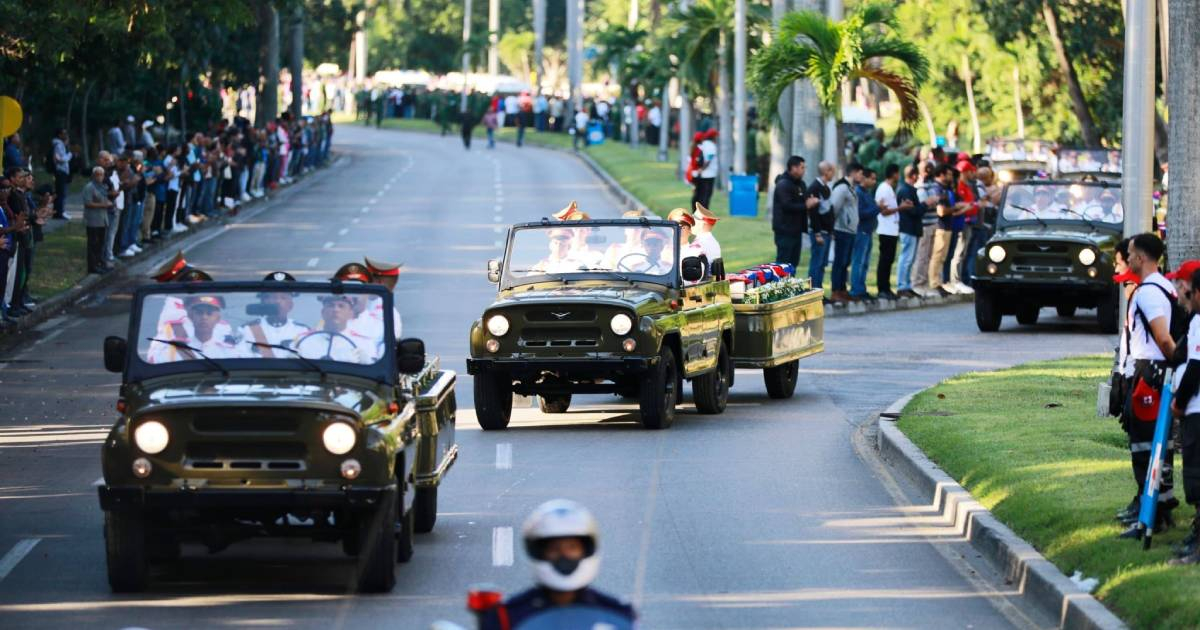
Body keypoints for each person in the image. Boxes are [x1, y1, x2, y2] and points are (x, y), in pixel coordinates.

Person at [477, 499, 635, 630]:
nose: (564, 556)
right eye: (554, 549)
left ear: (586, 550)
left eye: (572, 548)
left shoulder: (618, 613)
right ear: (538, 552)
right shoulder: (506, 615)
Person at [1118, 233, 1180, 538]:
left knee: (1145, 448)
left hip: (1150, 376)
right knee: (1157, 447)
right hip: (1154, 374)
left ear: (1141, 258)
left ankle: (1149, 516)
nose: (1127, 258)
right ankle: (1157, 511)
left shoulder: (1149, 293)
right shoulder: (1163, 287)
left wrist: (1176, 367)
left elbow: (1164, 339)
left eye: (1130, 253)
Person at [1170, 266, 1200, 565]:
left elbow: (1196, 367)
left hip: (1196, 410)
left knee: (1196, 477)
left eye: (1189, 291)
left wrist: (1179, 402)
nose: (1186, 297)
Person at [147, 295, 238, 364]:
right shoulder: (173, 351)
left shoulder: (229, 352)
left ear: (218, 319)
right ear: (191, 317)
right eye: (199, 313)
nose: (204, 317)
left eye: (209, 313)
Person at [240, 272, 311, 356]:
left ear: (290, 305)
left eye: (283, 298)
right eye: (273, 297)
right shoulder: (247, 329)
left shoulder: (302, 331)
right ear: (264, 301)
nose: (277, 301)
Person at [295, 294, 377, 363]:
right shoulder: (303, 340)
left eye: (341, 306)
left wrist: (367, 363)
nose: (336, 310)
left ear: (350, 313)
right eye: (331, 305)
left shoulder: (364, 343)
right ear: (323, 312)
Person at [771, 156, 817, 267]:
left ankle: (792, 284)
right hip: (785, 230)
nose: (804, 170)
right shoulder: (783, 184)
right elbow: (786, 205)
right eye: (802, 167)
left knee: (793, 264)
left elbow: (803, 198)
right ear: (793, 168)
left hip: (797, 230)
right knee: (783, 265)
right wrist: (806, 205)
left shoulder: (800, 184)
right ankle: (780, 285)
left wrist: (810, 200)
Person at [829, 162, 863, 303]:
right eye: (860, 173)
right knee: (840, 262)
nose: (862, 176)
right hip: (841, 230)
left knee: (845, 262)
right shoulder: (842, 187)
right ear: (853, 172)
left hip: (850, 231)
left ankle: (843, 290)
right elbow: (834, 208)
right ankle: (836, 291)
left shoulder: (851, 188)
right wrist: (832, 228)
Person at [874, 164, 906, 300]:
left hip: (892, 230)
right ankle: (882, 288)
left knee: (889, 260)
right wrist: (900, 208)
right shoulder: (883, 189)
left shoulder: (889, 189)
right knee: (884, 260)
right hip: (886, 230)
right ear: (894, 174)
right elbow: (883, 211)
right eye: (898, 173)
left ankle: (886, 288)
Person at [849, 169, 880, 300]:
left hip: (868, 231)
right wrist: (878, 208)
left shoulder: (867, 193)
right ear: (864, 178)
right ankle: (856, 290)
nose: (874, 182)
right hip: (861, 231)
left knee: (865, 262)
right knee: (858, 261)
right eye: (872, 178)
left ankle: (862, 289)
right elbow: (861, 213)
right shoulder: (859, 193)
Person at [895, 165, 925, 298]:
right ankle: (902, 286)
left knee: (910, 258)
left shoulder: (907, 189)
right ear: (914, 175)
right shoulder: (905, 191)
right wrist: (926, 204)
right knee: (906, 258)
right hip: (908, 229)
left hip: (912, 229)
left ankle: (906, 285)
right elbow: (914, 211)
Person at [806, 161, 835, 292]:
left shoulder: (826, 188)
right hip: (819, 232)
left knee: (822, 264)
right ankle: (812, 292)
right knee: (816, 263)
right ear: (825, 171)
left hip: (827, 231)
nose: (833, 173)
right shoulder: (814, 188)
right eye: (832, 171)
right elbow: (813, 213)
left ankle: (819, 291)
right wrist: (817, 233)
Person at [81, 166, 113, 275]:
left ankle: (99, 263)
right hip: (93, 220)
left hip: (103, 219)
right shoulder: (89, 187)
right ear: (94, 175)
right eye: (98, 174)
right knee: (93, 244)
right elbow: (88, 203)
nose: (100, 177)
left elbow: (106, 198)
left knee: (100, 243)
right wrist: (104, 204)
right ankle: (92, 266)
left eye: (102, 175)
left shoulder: (103, 187)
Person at [691, 130, 718, 210]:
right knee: (706, 196)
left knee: (698, 195)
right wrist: (702, 169)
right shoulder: (711, 146)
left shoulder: (702, 144)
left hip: (697, 175)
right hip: (708, 175)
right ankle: (704, 213)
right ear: (713, 137)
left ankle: (695, 212)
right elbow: (709, 160)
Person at [692, 203, 722, 275]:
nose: (691, 224)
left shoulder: (699, 243)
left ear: (701, 224)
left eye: (693, 221)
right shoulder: (713, 241)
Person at [51, 128, 72, 219]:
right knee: (61, 192)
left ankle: (58, 211)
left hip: (61, 171)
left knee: (60, 192)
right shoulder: (58, 145)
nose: (66, 135)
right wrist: (69, 155)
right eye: (64, 133)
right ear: (59, 135)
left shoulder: (60, 144)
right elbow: (60, 159)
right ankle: (59, 212)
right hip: (60, 171)